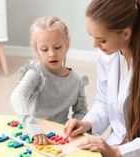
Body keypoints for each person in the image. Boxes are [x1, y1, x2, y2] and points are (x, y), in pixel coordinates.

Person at [64, 0, 140, 156]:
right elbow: (104, 101)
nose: (95, 45)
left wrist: (118, 152)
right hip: (119, 141)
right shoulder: (107, 54)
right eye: (92, 37)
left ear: (126, 33)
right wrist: (87, 123)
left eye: (102, 40)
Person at [11, 17, 88, 145]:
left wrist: (76, 125)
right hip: (34, 134)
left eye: (57, 47)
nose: (52, 54)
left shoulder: (76, 81)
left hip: (61, 136)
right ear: (36, 49)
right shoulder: (35, 74)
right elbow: (17, 96)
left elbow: (81, 111)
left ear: (67, 44)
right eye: (44, 49)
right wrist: (33, 128)